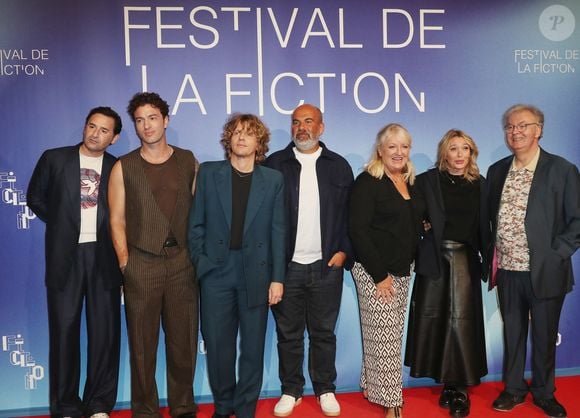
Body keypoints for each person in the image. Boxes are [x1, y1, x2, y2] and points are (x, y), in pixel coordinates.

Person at [27, 107, 123, 418]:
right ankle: (66, 405)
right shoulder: (54, 159)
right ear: (84, 127)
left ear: (114, 138)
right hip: (64, 259)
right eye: (91, 126)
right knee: (64, 333)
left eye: (104, 130)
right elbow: (35, 197)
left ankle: (98, 405)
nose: (95, 133)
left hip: (104, 258)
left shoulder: (118, 167)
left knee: (104, 334)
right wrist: (60, 225)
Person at [187, 113, 285, 418]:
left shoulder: (273, 180)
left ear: (259, 143)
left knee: (253, 350)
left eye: (249, 133)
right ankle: (224, 406)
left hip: (256, 271)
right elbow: (196, 224)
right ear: (228, 139)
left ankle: (245, 411)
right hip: (216, 271)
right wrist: (202, 263)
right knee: (217, 347)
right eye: (236, 132)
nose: (241, 137)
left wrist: (277, 278)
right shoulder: (208, 173)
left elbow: (278, 231)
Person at [108, 92, 199, 418]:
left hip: (182, 264)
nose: (146, 126)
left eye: (152, 118)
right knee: (142, 348)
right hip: (141, 264)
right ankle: (145, 411)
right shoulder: (124, 166)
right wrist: (125, 263)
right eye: (140, 120)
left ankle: (183, 408)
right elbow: (116, 219)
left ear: (166, 120)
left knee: (183, 344)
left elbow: (198, 212)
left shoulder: (188, 160)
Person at [487, 104, 579, 418]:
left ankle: (544, 393)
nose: (516, 132)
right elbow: (488, 219)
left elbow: (576, 220)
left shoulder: (562, 169)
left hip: (546, 271)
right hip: (508, 271)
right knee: (513, 335)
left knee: (543, 336)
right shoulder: (498, 170)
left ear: (538, 129)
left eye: (523, 125)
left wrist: (557, 255)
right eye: (510, 126)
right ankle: (513, 390)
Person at [264, 104, 354, 417]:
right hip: (286, 268)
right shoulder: (274, 164)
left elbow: (349, 217)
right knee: (288, 334)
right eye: (296, 122)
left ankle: (325, 388)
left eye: (308, 121)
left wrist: (343, 252)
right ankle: (291, 390)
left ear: (321, 127)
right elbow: (264, 218)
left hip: (327, 266)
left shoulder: (339, 166)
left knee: (323, 333)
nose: (302, 128)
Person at [404, 129, 490, 417]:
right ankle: (447, 385)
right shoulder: (427, 181)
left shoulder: (480, 184)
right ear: (444, 153)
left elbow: (486, 227)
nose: (459, 155)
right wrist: (423, 231)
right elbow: (412, 216)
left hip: (466, 258)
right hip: (434, 260)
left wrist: (490, 263)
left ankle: (461, 388)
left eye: (465, 149)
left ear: (471, 153)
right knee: (437, 323)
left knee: (462, 326)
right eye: (454, 149)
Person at [348, 123, 424, 418]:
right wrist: (379, 276)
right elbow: (357, 230)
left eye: (404, 146)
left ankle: (370, 384)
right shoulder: (367, 182)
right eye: (392, 146)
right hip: (373, 272)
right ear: (380, 150)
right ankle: (393, 401)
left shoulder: (410, 182)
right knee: (386, 338)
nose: (398, 152)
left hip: (403, 269)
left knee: (384, 334)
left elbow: (413, 222)